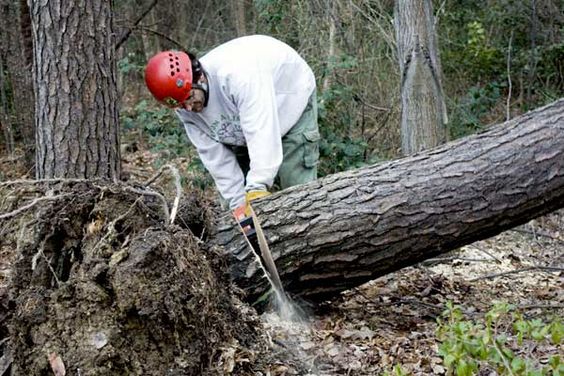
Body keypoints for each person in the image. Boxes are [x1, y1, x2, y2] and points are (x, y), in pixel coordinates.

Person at [144, 35, 319, 217]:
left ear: (200, 78)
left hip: (290, 99)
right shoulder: (184, 107)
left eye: (189, 98)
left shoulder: (238, 75)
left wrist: (257, 187)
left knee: (297, 192)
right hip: (241, 127)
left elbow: (261, 132)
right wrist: (238, 205)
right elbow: (215, 157)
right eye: (179, 105)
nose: (187, 108)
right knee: (236, 207)